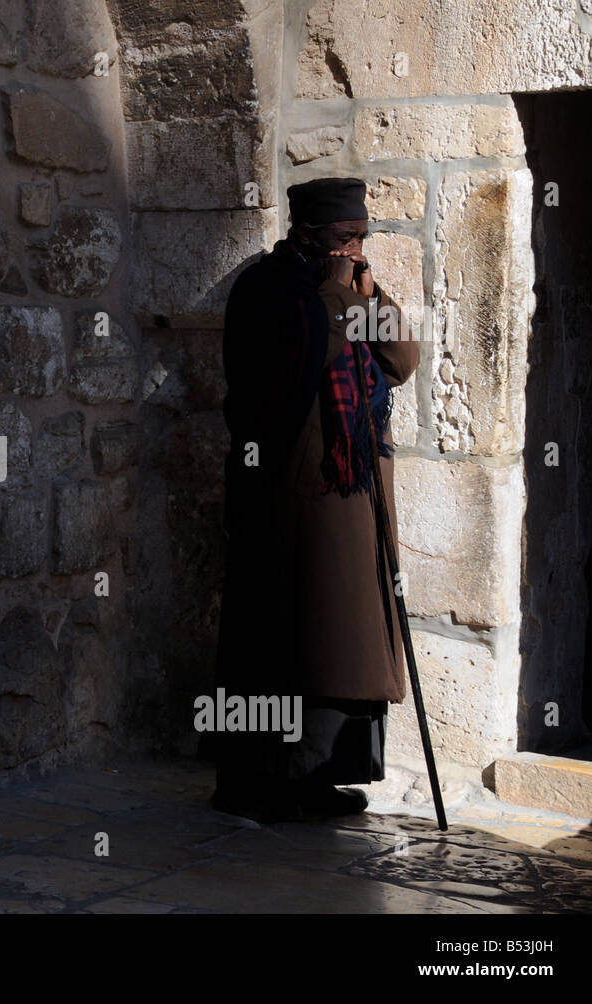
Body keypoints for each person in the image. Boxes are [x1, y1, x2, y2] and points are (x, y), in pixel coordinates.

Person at [209, 177, 421, 822]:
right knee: (292, 636)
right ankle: (265, 781)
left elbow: (401, 360)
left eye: (361, 237)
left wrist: (366, 294)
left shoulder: (352, 291)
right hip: (290, 497)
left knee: (347, 634)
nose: (355, 250)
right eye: (342, 239)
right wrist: (333, 295)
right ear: (307, 235)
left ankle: (326, 772)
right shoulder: (266, 290)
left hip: (353, 496)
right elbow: (276, 382)